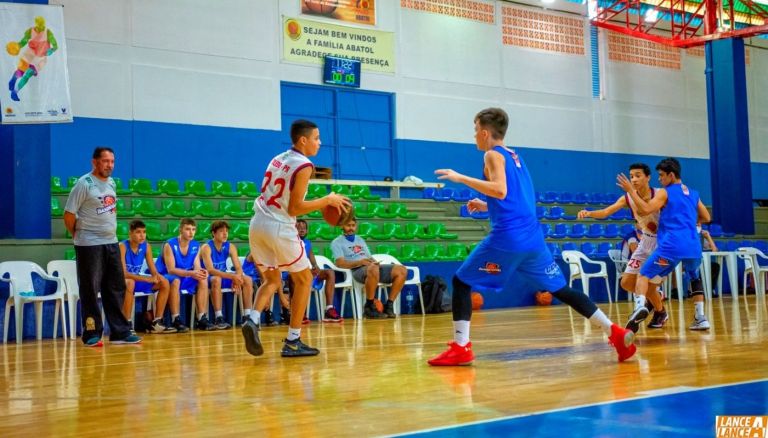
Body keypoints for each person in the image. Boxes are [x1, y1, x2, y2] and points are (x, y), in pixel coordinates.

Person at [427, 108, 636, 366]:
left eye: (474, 131)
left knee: (460, 281)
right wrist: (486, 205)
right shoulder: (516, 156)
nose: (474, 137)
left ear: (484, 132)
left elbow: (501, 190)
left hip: (508, 238)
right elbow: (516, 196)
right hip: (532, 238)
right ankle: (615, 333)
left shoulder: (492, 155)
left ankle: (461, 348)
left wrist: (461, 178)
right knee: (561, 289)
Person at [241, 119, 349, 357]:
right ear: (303, 140)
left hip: (257, 223)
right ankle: (293, 340)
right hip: (279, 226)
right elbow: (295, 208)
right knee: (303, 280)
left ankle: (253, 319)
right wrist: (327, 201)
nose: (319, 143)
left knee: (271, 280)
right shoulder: (305, 165)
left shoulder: (277, 158)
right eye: (316, 138)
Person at [617, 157, 712, 330]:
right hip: (693, 245)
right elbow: (707, 217)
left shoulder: (665, 192)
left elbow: (645, 209)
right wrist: (687, 221)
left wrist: (631, 190)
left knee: (643, 276)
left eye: (661, 175)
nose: (660, 179)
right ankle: (700, 317)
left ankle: (639, 308)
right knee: (694, 277)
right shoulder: (693, 193)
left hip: (671, 246)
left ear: (671, 175)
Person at [63, 147, 141, 346]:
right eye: (106, 161)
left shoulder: (112, 183)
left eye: (112, 161)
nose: (110, 165)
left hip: (111, 242)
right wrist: (79, 235)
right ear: (94, 162)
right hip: (89, 245)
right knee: (90, 289)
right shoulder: (84, 184)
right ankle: (91, 333)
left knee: (116, 287)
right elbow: (69, 214)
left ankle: (120, 332)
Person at [577, 163, 666, 329]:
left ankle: (651, 308)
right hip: (645, 241)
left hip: (663, 244)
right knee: (626, 283)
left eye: (638, 175)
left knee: (648, 283)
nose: (634, 179)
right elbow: (605, 212)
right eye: (631, 176)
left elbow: (648, 210)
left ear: (648, 177)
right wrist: (589, 213)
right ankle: (657, 306)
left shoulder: (659, 194)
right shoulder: (627, 197)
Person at [331, 217, 406, 319]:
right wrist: (359, 262)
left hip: (370, 267)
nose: (351, 228)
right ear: (342, 226)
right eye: (348, 225)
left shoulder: (360, 239)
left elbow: (369, 256)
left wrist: (374, 261)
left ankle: (389, 305)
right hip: (356, 270)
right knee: (373, 269)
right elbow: (339, 263)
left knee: (401, 270)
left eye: (353, 225)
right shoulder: (337, 242)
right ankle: (369, 306)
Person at [119, 220, 177, 334]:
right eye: (138, 232)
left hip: (136, 280)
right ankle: (127, 323)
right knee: (129, 282)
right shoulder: (122, 246)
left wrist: (157, 276)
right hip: (120, 281)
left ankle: (157, 322)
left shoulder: (146, 246)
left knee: (164, 282)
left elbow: (153, 269)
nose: (142, 235)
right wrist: (147, 279)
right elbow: (123, 274)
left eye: (144, 232)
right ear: (130, 233)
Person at [155, 218, 213, 331]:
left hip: (185, 276)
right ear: (180, 230)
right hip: (166, 276)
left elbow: (197, 266)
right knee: (175, 280)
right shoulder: (169, 244)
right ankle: (176, 319)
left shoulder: (196, 245)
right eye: (188, 229)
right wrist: (192, 273)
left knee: (203, 279)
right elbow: (171, 270)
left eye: (193, 229)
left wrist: (202, 271)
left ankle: (201, 318)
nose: (191, 232)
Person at [200, 220, 254, 330]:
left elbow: (238, 268)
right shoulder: (206, 247)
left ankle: (247, 316)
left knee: (247, 279)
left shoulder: (230, 246)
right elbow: (210, 270)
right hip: (207, 277)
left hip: (224, 275)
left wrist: (237, 278)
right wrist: (232, 277)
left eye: (226, 231)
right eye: (221, 231)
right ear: (213, 233)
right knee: (216, 279)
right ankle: (219, 317)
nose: (225, 234)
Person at [290, 219, 342, 322]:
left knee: (329, 272)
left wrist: (315, 266)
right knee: (293, 276)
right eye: (298, 228)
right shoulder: (290, 243)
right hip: (295, 273)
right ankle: (298, 312)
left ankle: (329, 309)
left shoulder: (307, 242)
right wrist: (307, 271)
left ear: (307, 231)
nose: (302, 230)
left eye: (304, 228)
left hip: (307, 273)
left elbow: (310, 254)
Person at [7, 15, 58, 101]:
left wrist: (52, 50)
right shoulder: (30, 31)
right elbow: (23, 41)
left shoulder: (48, 32)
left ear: (44, 24)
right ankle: (13, 80)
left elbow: (55, 45)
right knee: (20, 72)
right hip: (29, 53)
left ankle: (15, 92)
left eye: (41, 25)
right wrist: (18, 46)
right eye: (38, 25)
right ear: (36, 24)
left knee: (28, 74)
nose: (40, 27)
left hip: (40, 57)